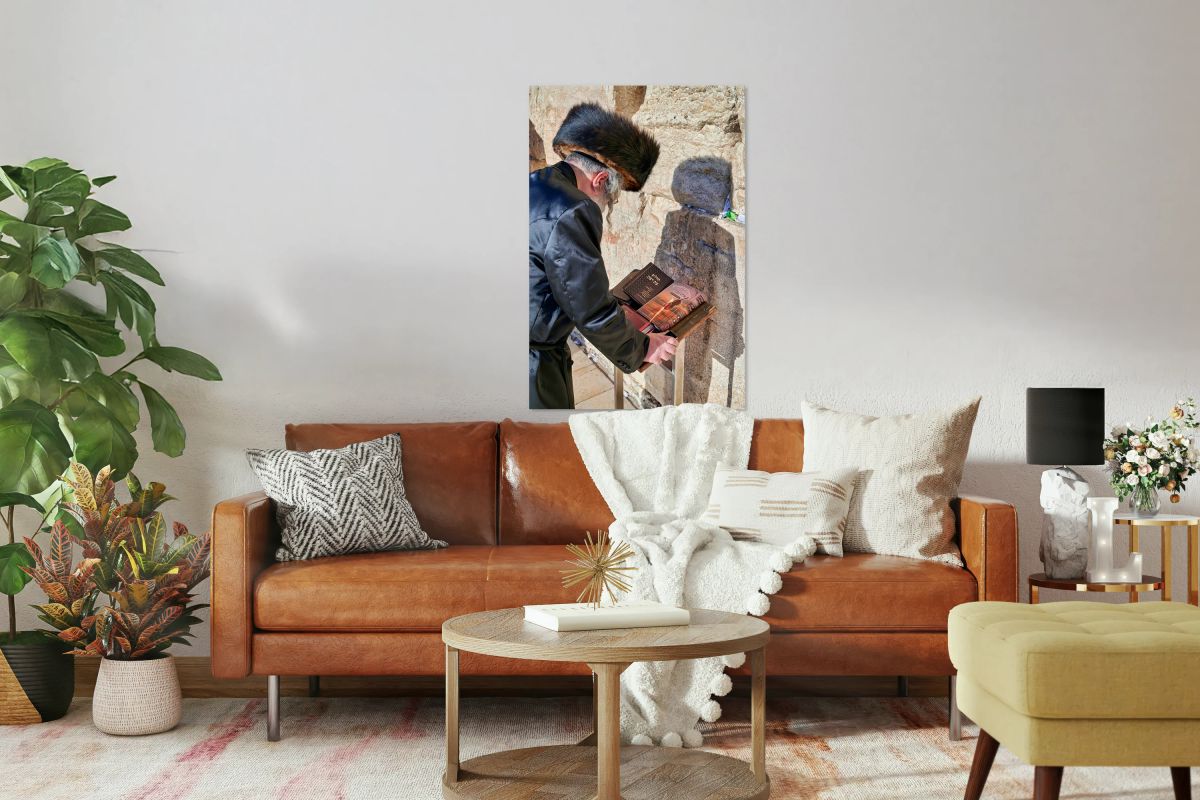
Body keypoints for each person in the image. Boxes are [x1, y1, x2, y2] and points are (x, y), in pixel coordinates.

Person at [529, 103, 677, 409]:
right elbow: (589, 306)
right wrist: (643, 347)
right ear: (598, 182)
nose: (606, 206)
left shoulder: (537, 183)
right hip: (531, 367)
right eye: (610, 198)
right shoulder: (574, 208)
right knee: (542, 447)